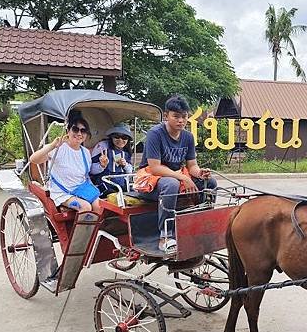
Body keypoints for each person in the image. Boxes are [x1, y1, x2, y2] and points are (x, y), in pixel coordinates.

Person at [139, 95, 217, 252]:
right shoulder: (155, 134)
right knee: (171, 184)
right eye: (176, 116)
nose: (181, 121)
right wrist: (182, 177)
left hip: (175, 176)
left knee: (211, 183)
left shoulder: (188, 137)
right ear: (166, 116)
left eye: (184, 116)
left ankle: (201, 225)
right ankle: (165, 236)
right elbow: (155, 168)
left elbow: (192, 165)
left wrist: (200, 173)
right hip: (151, 180)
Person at [29, 111, 101, 214]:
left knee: (99, 206)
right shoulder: (59, 148)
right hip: (61, 192)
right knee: (85, 207)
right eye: (75, 129)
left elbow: (87, 174)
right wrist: (53, 145)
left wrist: (102, 166)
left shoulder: (85, 152)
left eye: (83, 131)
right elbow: (33, 159)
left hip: (81, 189)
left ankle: (93, 230)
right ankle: (81, 230)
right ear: (68, 130)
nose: (79, 134)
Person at [90, 124, 134, 195]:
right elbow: (91, 170)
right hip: (104, 184)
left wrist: (125, 165)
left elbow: (130, 171)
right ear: (111, 137)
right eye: (116, 136)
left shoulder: (126, 151)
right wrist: (102, 166)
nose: (120, 140)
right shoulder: (102, 146)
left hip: (121, 184)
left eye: (124, 137)